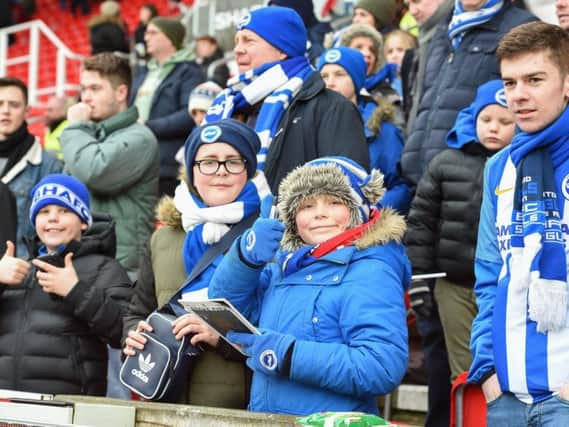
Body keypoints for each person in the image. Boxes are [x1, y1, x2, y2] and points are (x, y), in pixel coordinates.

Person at [209, 156, 410, 416]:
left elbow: (381, 367)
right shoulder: (286, 266)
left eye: (335, 202)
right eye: (306, 205)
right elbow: (224, 308)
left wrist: (288, 354)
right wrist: (245, 258)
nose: (320, 213)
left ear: (359, 208)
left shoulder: (372, 270)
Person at [123, 119, 271, 408]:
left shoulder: (268, 238)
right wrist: (133, 335)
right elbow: (138, 309)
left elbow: (283, 331)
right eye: (208, 162)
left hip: (237, 409)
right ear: (192, 170)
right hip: (167, 402)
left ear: (249, 169)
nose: (220, 172)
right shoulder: (163, 238)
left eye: (233, 162)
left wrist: (224, 339)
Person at [469, 22, 569, 425]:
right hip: (507, 396)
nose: (519, 95)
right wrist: (488, 373)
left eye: (534, 79)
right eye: (510, 83)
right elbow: (490, 274)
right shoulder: (498, 166)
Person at [405, 80, 515, 382]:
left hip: (506, 287)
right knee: (463, 372)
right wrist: (419, 278)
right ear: (472, 119)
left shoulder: (525, 165)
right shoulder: (444, 163)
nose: (494, 128)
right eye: (486, 119)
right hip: (453, 285)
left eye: (505, 121)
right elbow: (421, 223)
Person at [205, 6, 369, 195]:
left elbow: (344, 190)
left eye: (248, 41)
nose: (237, 50)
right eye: (237, 41)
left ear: (283, 50)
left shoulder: (332, 108)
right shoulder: (229, 105)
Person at [0, 174, 132, 395]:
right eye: (44, 211)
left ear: (83, 221)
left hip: (68, 407)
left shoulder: (105, 268)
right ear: (35, 222)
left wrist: (75, 292)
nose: (53, 218)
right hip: (8, 406)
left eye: (64, 210)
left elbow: (125, 331)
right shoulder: (16, 268)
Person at [400, 0, 535, 189]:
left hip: (475, 182)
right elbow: (426, 102)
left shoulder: (522, 28)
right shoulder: (443, 27)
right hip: (421, 177)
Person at [60, 53, 159, 278]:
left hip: (122, 270)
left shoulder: (140, 138)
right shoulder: (88, 136)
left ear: (121, 92)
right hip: (86, 261)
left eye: (95, 89)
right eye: (83, 89)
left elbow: (95, 171)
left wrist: (76, 127)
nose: (85, 98)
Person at [317, 47, 410, 213]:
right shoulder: (308, 126)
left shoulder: (383, 130)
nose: (330, 82)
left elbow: (401, 186)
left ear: (356, 80)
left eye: (340, 74)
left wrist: (373, 210)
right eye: (324, 76)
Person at [130, 17, 204, 197]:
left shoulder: (189, 72)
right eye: (146, 32)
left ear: (170, 38)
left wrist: (147, 127)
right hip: (136, 162)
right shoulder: (143, 72)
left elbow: (189, 116)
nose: (146, 37)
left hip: (166, 166)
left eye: (153, 33)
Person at [0, 77, 62, 259]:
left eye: (14, 104)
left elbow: (53, 233)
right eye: (0, 103)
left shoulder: (49, 165)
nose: (5, 110)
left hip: (21, 279)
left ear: (27, 110)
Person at [400, 0, 453, 133]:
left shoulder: (454, 39)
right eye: (408, 5)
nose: (412, 11)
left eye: (417, 1)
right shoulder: (424, 41)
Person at [338, 25, 402, 126]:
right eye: (359, 47)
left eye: (372, 50)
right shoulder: (331, 88)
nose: (367, 53)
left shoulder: (388, 96)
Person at [383, 29, 417, 97]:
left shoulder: (417, 81)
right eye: (390, 51)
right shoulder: (384, 84)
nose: (394, 56)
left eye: (400, 50)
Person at [43, 95, 74, 161]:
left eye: (50, 110)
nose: (45, 114)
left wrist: (55, 156)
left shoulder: (70, 128)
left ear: (63, 110)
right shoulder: (51, 128)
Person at [133, 3, 159, 70]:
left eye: (144, 12)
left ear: (151, 13)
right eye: (141, 11)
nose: (141, 14)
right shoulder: (139, 29)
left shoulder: (156, 27)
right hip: (141, 60)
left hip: (154, 58)